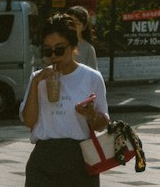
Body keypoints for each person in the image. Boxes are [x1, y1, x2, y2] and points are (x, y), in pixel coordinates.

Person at [20, 12, 109, 186]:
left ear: (74, 46)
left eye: (59, 49)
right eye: (47, 51)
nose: (54, 55)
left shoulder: (91, 77)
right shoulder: (38, 78)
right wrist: (36, 83)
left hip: (79, 158)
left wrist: (91, 114)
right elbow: (29, 122)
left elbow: (102, 124)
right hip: (43, 159)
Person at [65, 6, 98, 71]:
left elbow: (93, 74)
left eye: (77, 23)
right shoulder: (57, 44)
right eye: (70, 23)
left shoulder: (88, 48)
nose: (73, 26)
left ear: (84, 27)